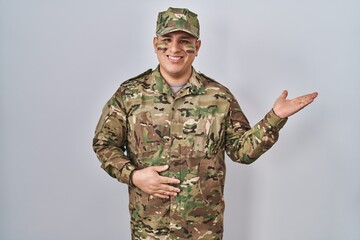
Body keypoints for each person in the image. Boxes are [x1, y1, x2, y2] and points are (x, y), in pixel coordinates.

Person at [93, 7, 318, 240]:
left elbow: (242, 152)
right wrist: (133, 176)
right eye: (167, 40)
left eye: (184, 41)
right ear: (155, 43)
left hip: (203, 231)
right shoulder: (130, 94)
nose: (174, 48)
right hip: (150, 230)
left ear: (197, 47)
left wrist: (275, 118)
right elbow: (104, 144)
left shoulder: (219, 97)